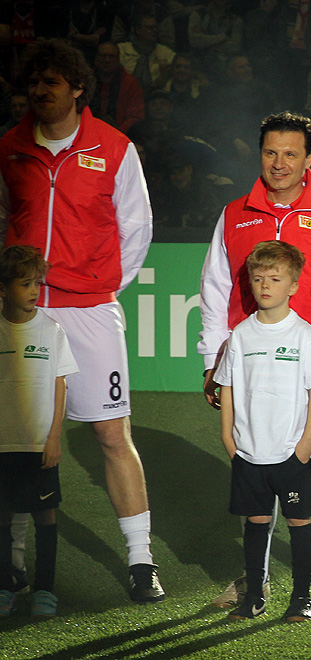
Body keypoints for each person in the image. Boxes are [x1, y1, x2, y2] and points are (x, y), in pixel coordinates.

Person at [199, 111, 311, 612]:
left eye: (291, 154)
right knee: (255, 467)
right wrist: (213, 361)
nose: (279, 163)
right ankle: (254, 580)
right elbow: (214, 291)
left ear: (308, 159)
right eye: (270, 153)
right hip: (254, 370)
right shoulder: (234, 215)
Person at [0, 38, 161, 603]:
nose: (39, 91)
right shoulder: (10, 147)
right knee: (16, 439)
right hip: (24, 312)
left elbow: (136, 227)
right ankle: (13, 564)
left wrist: (99, 283)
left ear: (77, 89)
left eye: (51, 82)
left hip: (91, 311)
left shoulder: (114, 148)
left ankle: (141, 561)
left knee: (112, 435)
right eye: (33, 82)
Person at [215, 240, 311, 622]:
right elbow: (227, 386)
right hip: (249, 451)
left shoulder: (303, 334)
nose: (265, 285)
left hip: (290, 451)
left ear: (293, 286)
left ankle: (301, 598)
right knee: (257, 522)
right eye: (259, 278)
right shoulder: (241, 335)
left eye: (275, 279)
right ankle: (254, 597)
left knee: (299, 522)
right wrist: (228, 438)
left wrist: (306, 442)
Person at [0, 245, 77, 618]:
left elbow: (60, 384)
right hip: (3, 443)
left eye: (37, 283)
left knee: (45, 515)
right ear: (3, 288)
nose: (34, 290)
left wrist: (54, 437)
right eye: (25, 283)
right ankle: (6, 587)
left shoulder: (51, 329)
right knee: (3, 515)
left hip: (39, 444)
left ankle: (45, 590)